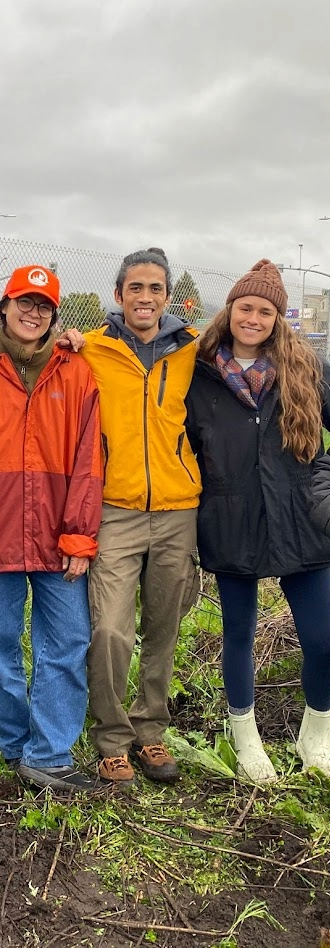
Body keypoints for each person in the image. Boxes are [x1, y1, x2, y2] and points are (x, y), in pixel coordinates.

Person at [0, 265, 102, 792]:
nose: (32, 312)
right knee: (0, 644)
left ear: (54, 315)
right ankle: (15, 743)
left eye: (43, 305)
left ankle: (50, 753)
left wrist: (80, 535)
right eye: (23, 301)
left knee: (66, 641)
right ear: (3, 306)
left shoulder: (77, 373)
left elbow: (88, 461)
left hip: (58, 540)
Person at [185, 259, 330, 783]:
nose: (253, 318)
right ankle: (242, 735)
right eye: (245, 307)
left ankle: (316, 733)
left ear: (277, 318)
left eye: (265, 311)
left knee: (323, 637)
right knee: (239, 632)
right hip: (230, 522)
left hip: (302, 523)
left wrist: (324, 490)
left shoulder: (306, 370)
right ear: (230, 311)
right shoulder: (197, 375)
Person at [78, 247, 201, 786]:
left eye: (155, 288)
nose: (145, 297)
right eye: (135, 288)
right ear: (119, 295)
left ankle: (152, 732)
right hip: (116, 508)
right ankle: (111, 736)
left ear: (167, 297)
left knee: (163, 625)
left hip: (178, 509)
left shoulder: (193, 350)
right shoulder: (92, 350)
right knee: (109, 628)